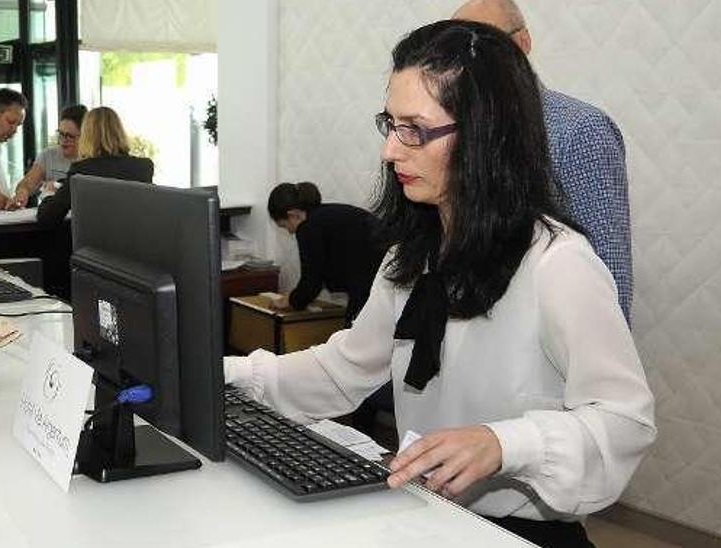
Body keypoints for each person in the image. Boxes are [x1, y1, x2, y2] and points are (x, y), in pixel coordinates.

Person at [224, 21, 654, 548]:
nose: (390, 151)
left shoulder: (557, 264)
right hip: (428, 516)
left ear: (485, 137)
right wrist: (227, 374)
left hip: (517, 533)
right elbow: (342, 370)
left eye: (415, 129)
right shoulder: (410, 257)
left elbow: (625, 420)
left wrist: (505, 443)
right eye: (390, 124)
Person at [454, 0, 633, 322]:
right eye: (458, 50)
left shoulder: (579, 130)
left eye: (487, 44)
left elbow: (608, 267)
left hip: (549, 340)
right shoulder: (450, 130)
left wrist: (598, 356)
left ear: (523, 42)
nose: (473, 62)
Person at [266, 181, 384, 321]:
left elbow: (312, 281)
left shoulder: (308, 227)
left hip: (373, 281)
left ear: (293, 214)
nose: (290, 232)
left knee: (356, 335)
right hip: (384, 275)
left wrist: (291, 301)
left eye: (285, 226)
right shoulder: (325, 215)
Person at [36, 106, 154, 227]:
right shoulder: (144, 167)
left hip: (94, 244)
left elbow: (47, 217)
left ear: (87, 135)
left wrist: (48, 194)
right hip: (137, 243)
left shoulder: (82, 170)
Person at [8, 104, 88, 209]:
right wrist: (22, 192)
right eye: (61, 134)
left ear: (85, 136)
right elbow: (27, 183)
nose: (63, 140)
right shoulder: (48, 156)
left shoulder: (93, 159)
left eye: (70, 136)